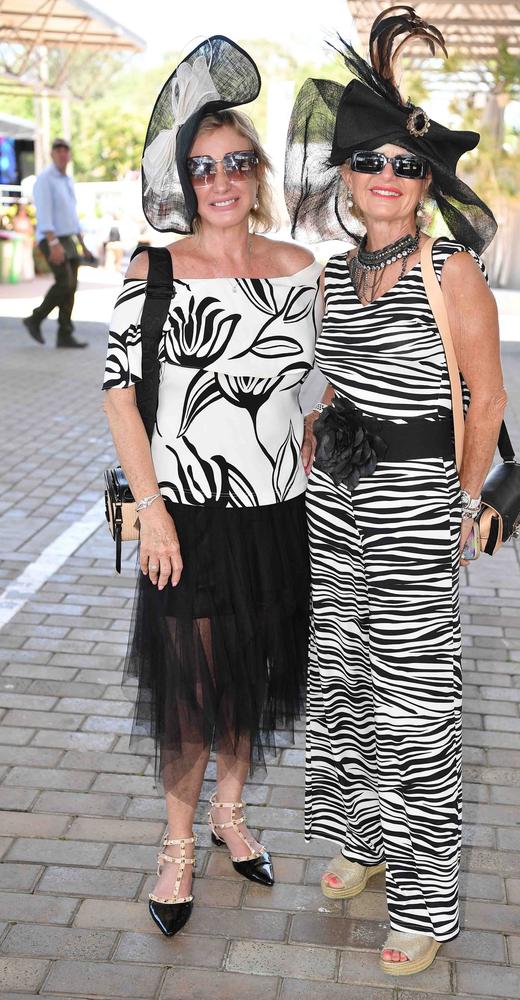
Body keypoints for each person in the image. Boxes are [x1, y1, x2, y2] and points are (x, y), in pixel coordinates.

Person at [285, 7, 506, 977]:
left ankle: (422, 900)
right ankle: (365, 840)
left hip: (413, 507)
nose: (386, 175)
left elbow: (486, 397)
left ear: (425, 184)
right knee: (340, 682)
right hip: (331, 507)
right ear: (345, 174)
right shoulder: (334, 274)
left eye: (405, 165)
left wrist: (457, 505)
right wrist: (310, 434)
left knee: (413, 706)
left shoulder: (446, 268)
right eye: (368, 159)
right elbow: (330, 381)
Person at [102, 36, 320, 937]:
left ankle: (233, 812)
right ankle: (180, 845)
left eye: (237, 162)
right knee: (191, 691)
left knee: (256, 677)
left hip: (280, 515)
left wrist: (315, 425)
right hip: (185, 517)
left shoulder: (301, 271)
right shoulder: (154, 270)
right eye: (203, 167)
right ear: (186, 179)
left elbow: (319, 376)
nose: (221, 179)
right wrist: (151, 513)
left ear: (257, 171)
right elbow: (120, 394)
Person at [23, 138, 91, 348]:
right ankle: (35, 318)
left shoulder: (66, 179)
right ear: (52, 154)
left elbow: (71, 216)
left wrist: (83, 244)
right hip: (51, 237)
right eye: (58, 150)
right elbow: (43, 214)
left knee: (71, 287)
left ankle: (64, 334)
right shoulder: (45, 179)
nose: (62, 154)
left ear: (69, 155)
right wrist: (53, 243)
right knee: (64, 282)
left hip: (68, 238)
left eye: (65, 150)